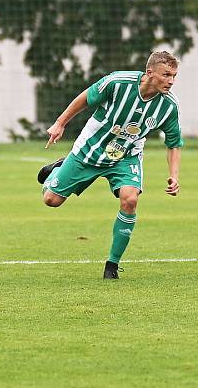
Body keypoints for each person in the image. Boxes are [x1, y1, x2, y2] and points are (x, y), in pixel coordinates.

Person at [37, 51, 184, 279]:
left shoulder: (168, 106)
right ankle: (58, 170)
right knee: (51, 201)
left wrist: (174, 176)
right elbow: (85, 98)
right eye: (166, 75)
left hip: (125, 156)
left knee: (130, 199)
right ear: (149, 73)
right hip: (90, 150)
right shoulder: (117, 82)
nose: (171, 81)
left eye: (174, 75)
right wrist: (60, 123)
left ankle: (112, 266)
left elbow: (174, 143)